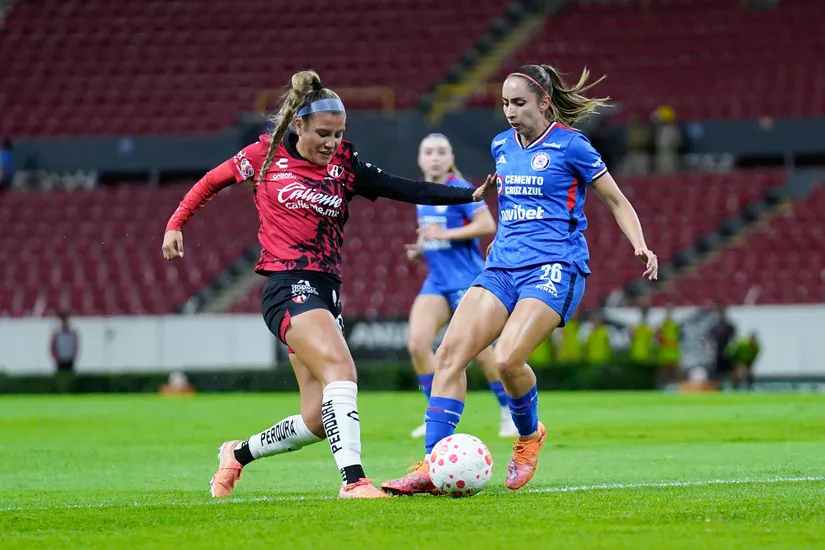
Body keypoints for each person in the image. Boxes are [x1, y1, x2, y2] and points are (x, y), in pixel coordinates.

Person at [161, 70, 493, 500]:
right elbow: (210, 182)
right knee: (343, 369)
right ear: (298, 126)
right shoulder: (263, 156)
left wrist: (468, 195)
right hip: (286, 286)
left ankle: (237, 454)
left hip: (325, 291)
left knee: (317, 419)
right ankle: (354, 482)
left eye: (338, 134)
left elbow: (404, 188)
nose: (331, 142)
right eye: (323, 133)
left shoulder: (346, 166)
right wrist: (175, 224)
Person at [382, 63, 657, 496]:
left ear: (544, 102)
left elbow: (617, 201)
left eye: (519, 102)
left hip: (554, 267)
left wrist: (640, 244)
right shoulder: (501, 145)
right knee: (449, 354)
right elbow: (510, 203)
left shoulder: (572, 146)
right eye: (505, 103)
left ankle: (529, 437)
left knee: (508, 359)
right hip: (502, 266)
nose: (510, 111)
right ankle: (433, 467)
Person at [405, 133, 518, 439]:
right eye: (429, 151)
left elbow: (487, 225)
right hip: (437, 281)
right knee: (417, 344)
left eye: (442, 151)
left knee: (481, 354)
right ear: (420, 158)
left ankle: (508, 412)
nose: (435, 157)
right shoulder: (423, 192)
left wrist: (444, 233)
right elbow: (430, 233)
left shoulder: (461, 188)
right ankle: (435, 415)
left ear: (450, 157)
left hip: (467, 281)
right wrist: (421, 247)